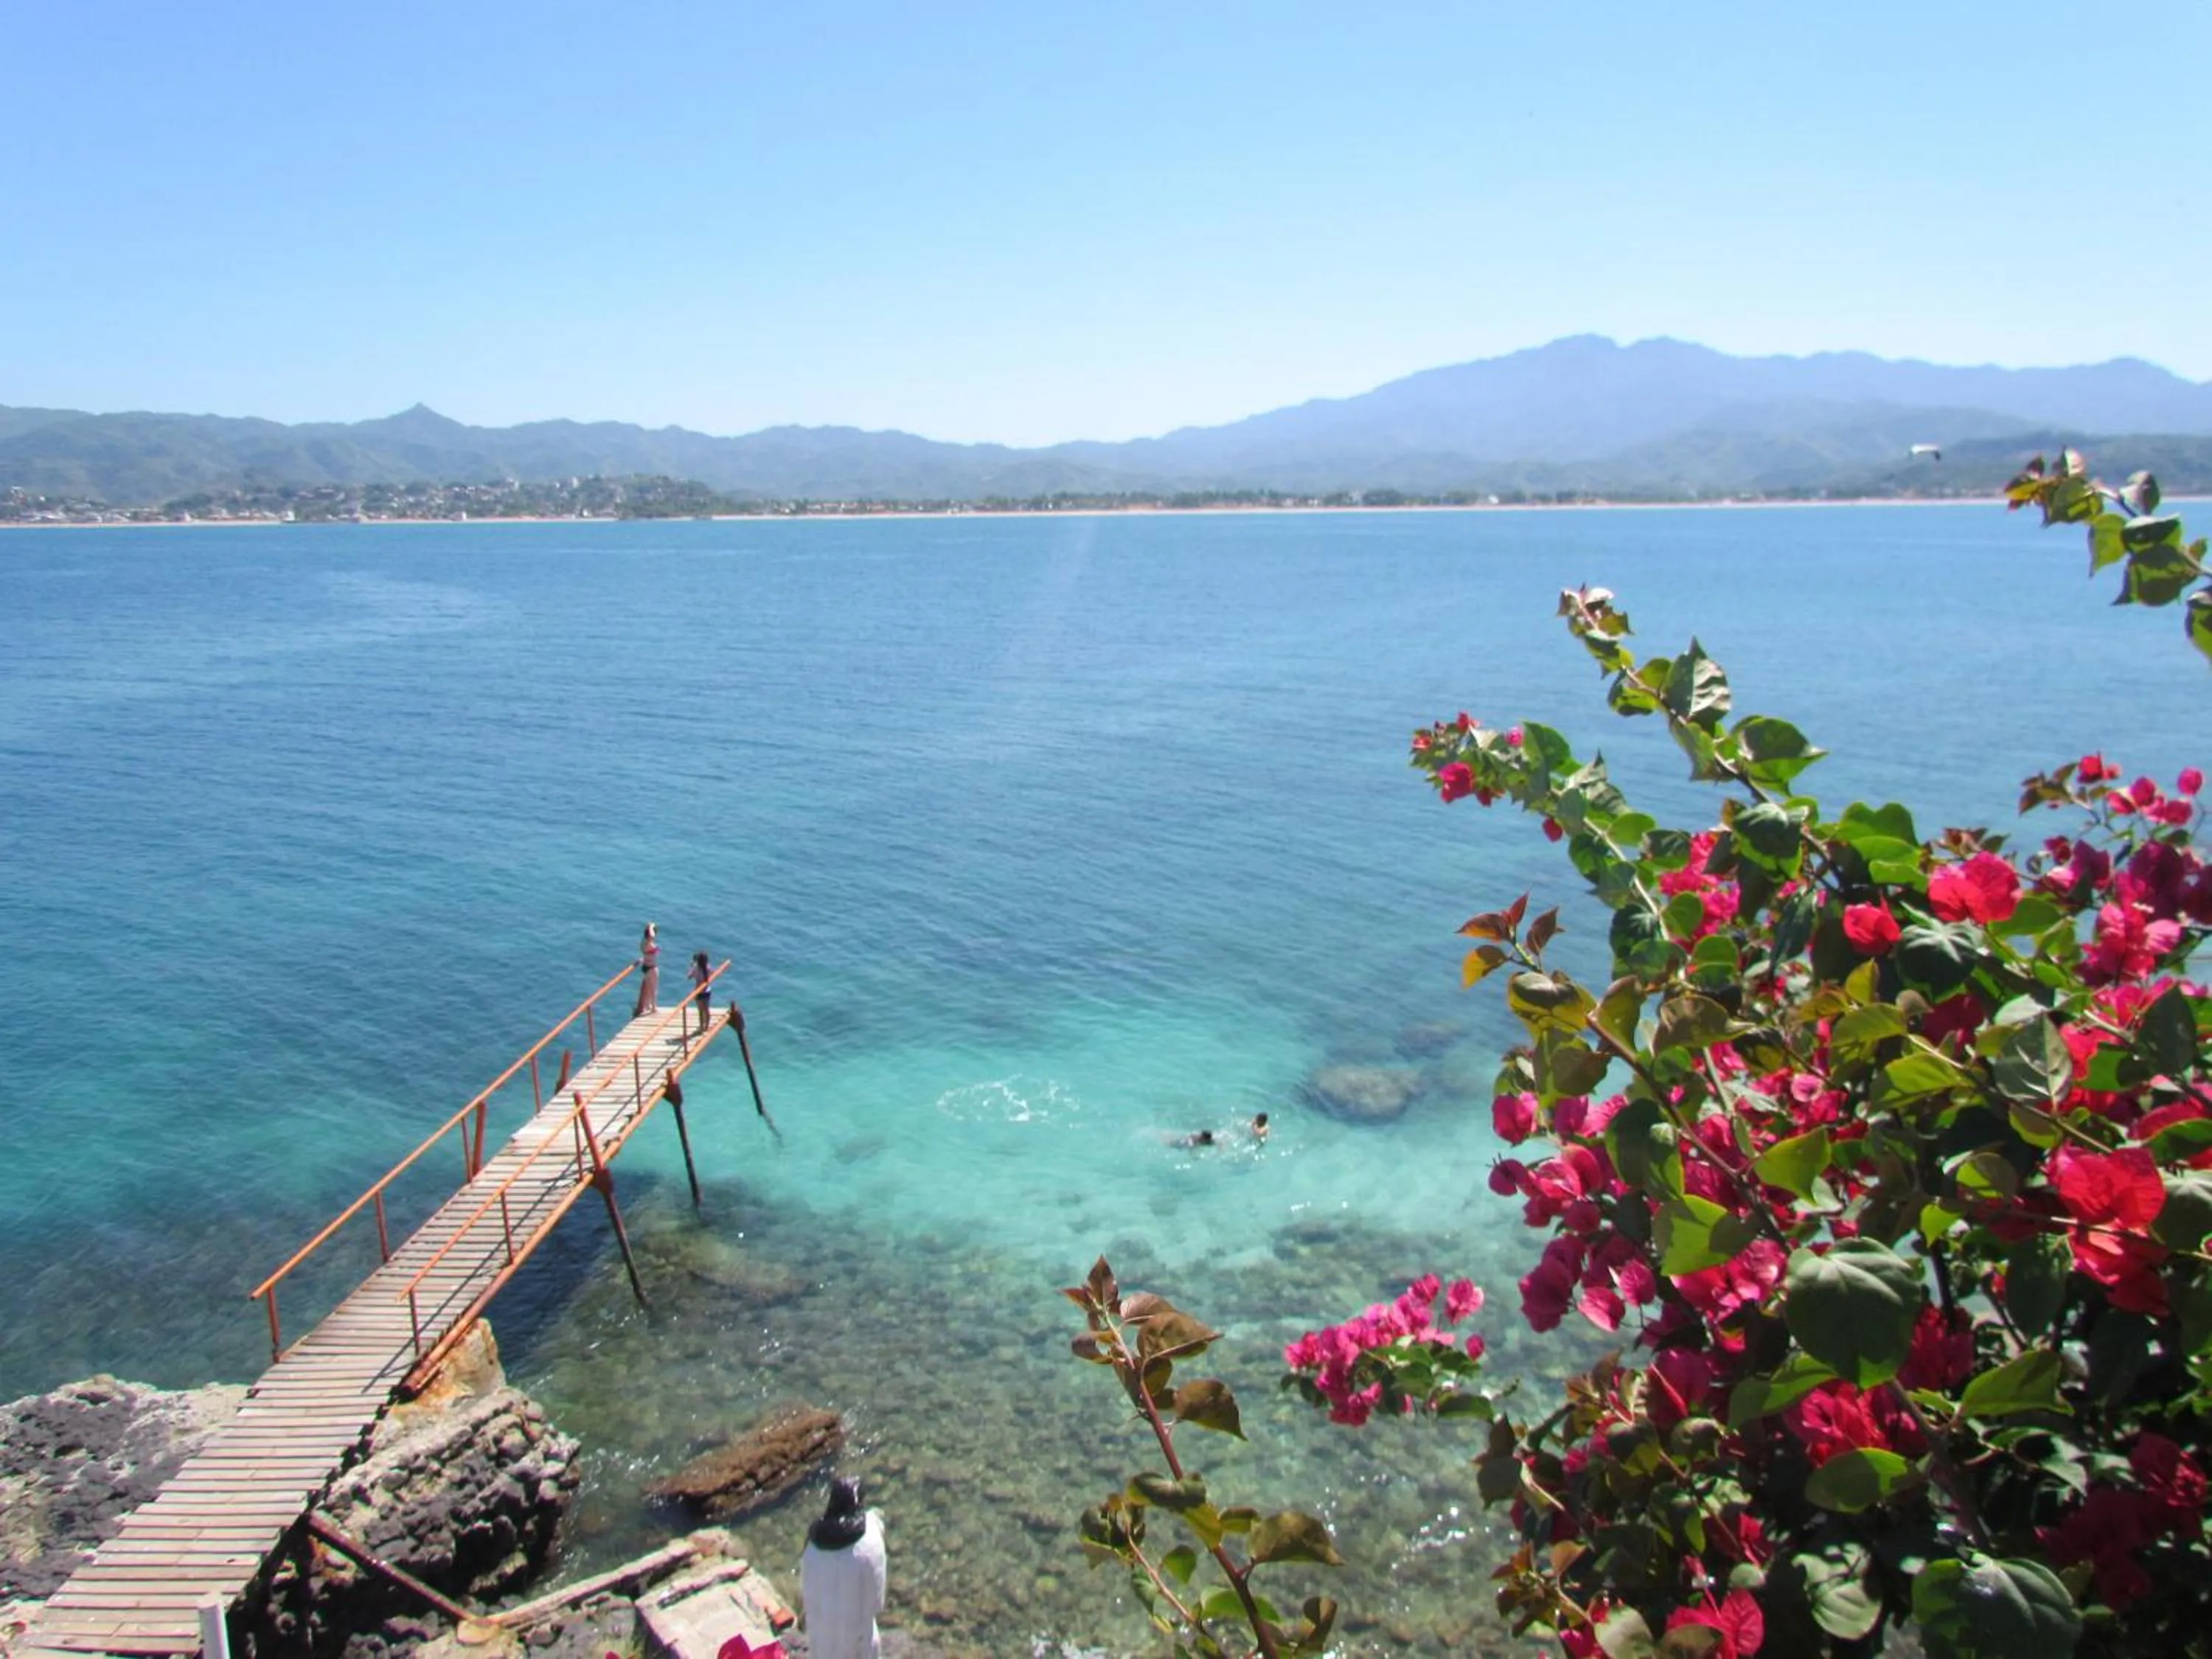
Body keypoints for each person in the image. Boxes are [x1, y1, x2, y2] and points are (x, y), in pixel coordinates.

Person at [799, 1476, 886, 1659]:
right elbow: (877, 1603)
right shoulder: (870, 1541)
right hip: (859, 1647)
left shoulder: (811, 1545)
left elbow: (807, 1600)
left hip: (821, 1646)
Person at [686, 949, 713, 1040]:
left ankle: (702, 1027)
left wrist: (691, 966)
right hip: (707, 991)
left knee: (700, 1011)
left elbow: (689, 977)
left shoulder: (696, 968)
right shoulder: (708, 968)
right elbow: (712, 973)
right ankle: (707, 1026)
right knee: (706, 1009)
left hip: (699, 992)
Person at [635, 922, 659, 1016]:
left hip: (646, 966)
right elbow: (652, 936)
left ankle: (648, 1005)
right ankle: (653, 1007)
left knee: (649, 987)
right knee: (654, 988)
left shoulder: (643, 942)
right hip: (652, 967)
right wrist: (651, 926)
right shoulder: (649, 943)